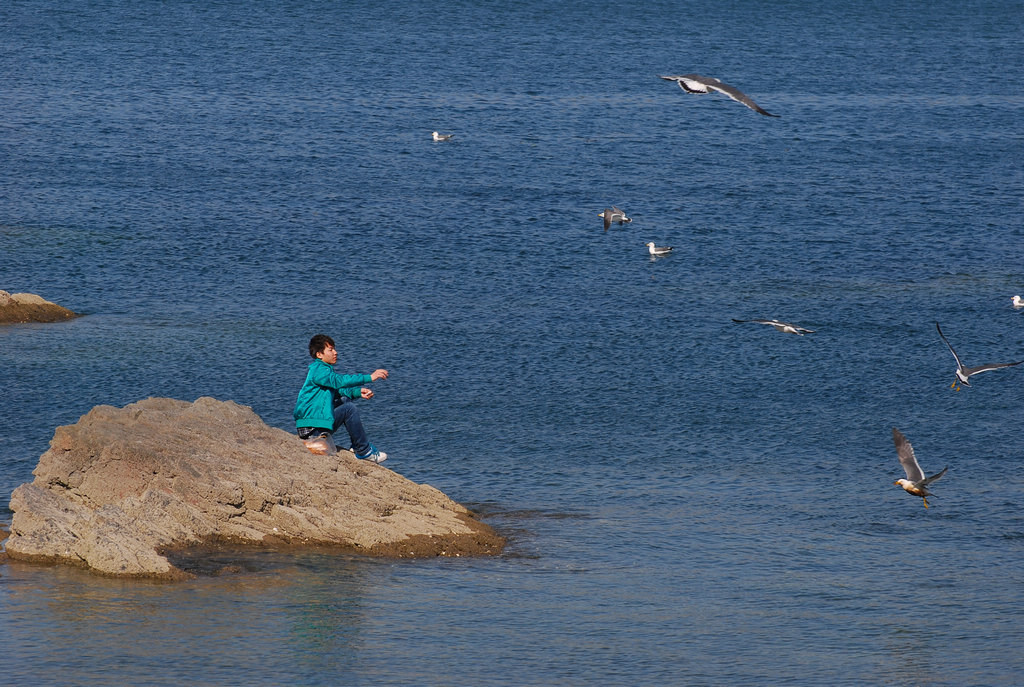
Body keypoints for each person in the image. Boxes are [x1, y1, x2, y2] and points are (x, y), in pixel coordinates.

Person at [294, 333, 389, 463]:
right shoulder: (318, 370)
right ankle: (363, 450)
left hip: (315, 424)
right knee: (349, 409)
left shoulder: (322, 369)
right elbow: (339, 381)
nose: (335, 352)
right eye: (331, 349)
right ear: (319, 355)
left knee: (345, 400)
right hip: (312, 430)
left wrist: (357, 392)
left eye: (334, 349)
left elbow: (336, 391)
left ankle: (356, 445)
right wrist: (369, 377)